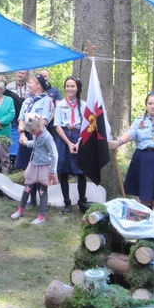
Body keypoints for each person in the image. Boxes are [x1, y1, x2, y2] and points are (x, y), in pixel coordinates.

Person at [109, 90, 154, 215]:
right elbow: (131, 133)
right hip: (143, 161)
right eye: (150, 103)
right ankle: (145, 231)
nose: (152, 106)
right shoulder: (139, 121)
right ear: (146, 104)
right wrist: (118, 142)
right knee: (145, 199)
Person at [10, 113, 58, 225]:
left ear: (38, 126)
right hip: (34, 164)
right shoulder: (36, 134)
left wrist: (53, 171)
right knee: (27, 187)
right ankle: (20, 210)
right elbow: (36, 144)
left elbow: (54, 153)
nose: (31, 133)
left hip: (44, 166)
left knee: (42, 191)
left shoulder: (47, 137)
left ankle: (41, 216)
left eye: (32, 131)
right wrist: (27, 143)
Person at [13, 74, 53, 205]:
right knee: (28, 166)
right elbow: (20, 119)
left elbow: (45, 120)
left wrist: (33, 130)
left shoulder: (47, 101)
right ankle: (32, 198)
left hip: (39, 136)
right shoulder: (27, 101)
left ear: (38, 85)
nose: (28, 85)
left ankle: (42, 199)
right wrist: (22, 135)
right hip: (26, 136)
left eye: (31, 82)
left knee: (39, 166)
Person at [54, 76, 90, 214]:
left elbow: (87, 126)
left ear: (78, 88)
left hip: (79, 137)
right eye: (67, 86)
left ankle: (82, 200)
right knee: (63, 172)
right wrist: (69, 143)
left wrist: (78, 143)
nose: (69, 89)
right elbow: (57, 125)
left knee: (81, 172)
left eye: (72, 86)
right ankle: (67, 203)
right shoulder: (60, 104)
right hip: (64, 138)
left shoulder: (84, 105)